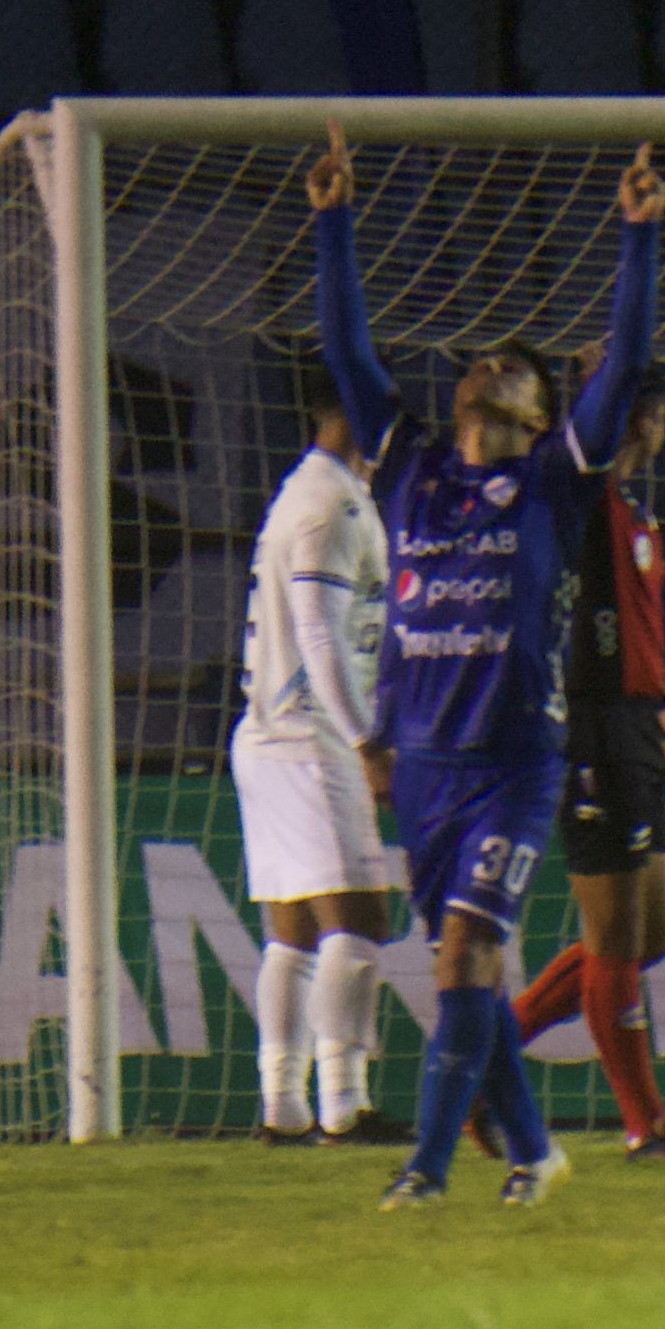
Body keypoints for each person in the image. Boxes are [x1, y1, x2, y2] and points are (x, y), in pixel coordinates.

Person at [307, 121, 665, 1209]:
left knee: (464, 956)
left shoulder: (561, 479)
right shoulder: (410, 463)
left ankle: (421, 1167)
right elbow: (349, 355)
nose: (491, 367)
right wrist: (333, 223)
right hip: (422, 763)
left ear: (542, 413)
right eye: (481, 360)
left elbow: (628, 359)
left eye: (515, 367)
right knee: (468, 967)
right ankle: (535, 1150)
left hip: (515, 760)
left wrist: (637, 238)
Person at [506, 378, 665, 1164]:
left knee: (654, 935)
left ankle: (490, 1056)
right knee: (616, 937)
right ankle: (646, 1125)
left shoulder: (636, 510)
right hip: (590, 721)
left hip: (635, 720)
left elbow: (639, 625)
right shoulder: (583, 492)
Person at [229, 375, 404, 1145]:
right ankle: (343, 1101)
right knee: (360, 916)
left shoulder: (312, 491)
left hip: (271, 729)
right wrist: (367, 740)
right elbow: (321, 633)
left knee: (292, 931)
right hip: (308, 733)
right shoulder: (330, 505)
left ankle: (282, 1105)